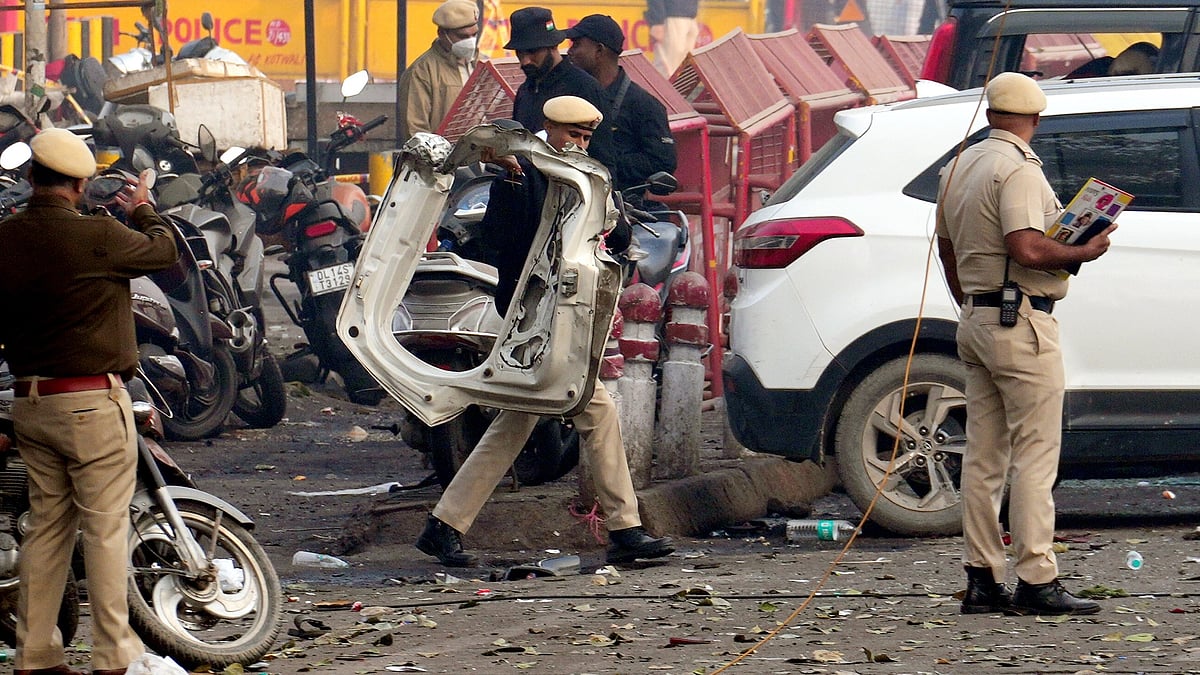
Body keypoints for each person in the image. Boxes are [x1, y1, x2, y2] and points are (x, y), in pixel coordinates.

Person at [416, 96, 673, 568]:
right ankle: (625, 528)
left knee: (518, 420)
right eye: (571, 135)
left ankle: (444, 525)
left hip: (563, 317)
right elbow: (501, 241)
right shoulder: (521, 176)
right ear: (547, 130)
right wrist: (515, 177)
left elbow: (615, 238)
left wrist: (608, 210)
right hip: (531, 319)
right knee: (595, 409)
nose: (577, 143)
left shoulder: (587, 176)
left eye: (585, 137)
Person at [935, 72, 1116, 617]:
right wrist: (1086, 250)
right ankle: (1038, 577)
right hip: (1022, 323)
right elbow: (1029, 249)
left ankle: (984, 579)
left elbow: (947, 250)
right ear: (1035, 119)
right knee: (1035, 458)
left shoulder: (957, 167)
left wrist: (973, 300)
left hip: (978, 321)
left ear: (992, 113)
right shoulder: (1016, 169)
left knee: (984, 458)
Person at [0, 129, 178, 674]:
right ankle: (113, 654)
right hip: (91, 405)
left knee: (46, 529)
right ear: (79, 185)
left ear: (30, 178)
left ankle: (36, 654)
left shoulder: (6, 237)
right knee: (103, 529)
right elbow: (166, 253)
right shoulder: (97, 235)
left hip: (31, 404)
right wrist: (144, 208)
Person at [565, 14, 678, 192]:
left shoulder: (644, 105)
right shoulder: (571, 95)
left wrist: (602, 162)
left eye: (576, 44)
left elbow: (662, 161)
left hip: (624, 205)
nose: (569, 51)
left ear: (599, 51)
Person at [505, 6, 610, 146]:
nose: (525, 61)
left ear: (553, 46)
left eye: (532, 51)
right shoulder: (525, 91)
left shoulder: (584, 88)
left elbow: (602, 157)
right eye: (520, 53)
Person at [397, 0, 481, 141]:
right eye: (462, 36)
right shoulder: (422, 72)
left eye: (474, 35)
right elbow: (416, 132)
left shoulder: (476, 64)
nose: (470, 41)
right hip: (443, 160)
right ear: (442, 34)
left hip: (479, 158)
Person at [645, 0, 699, 78]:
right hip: (672, 16)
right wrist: (657, 21)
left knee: (682, 66)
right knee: (667, 66)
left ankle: (672, 88)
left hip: (689, 15)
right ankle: (660, 88)